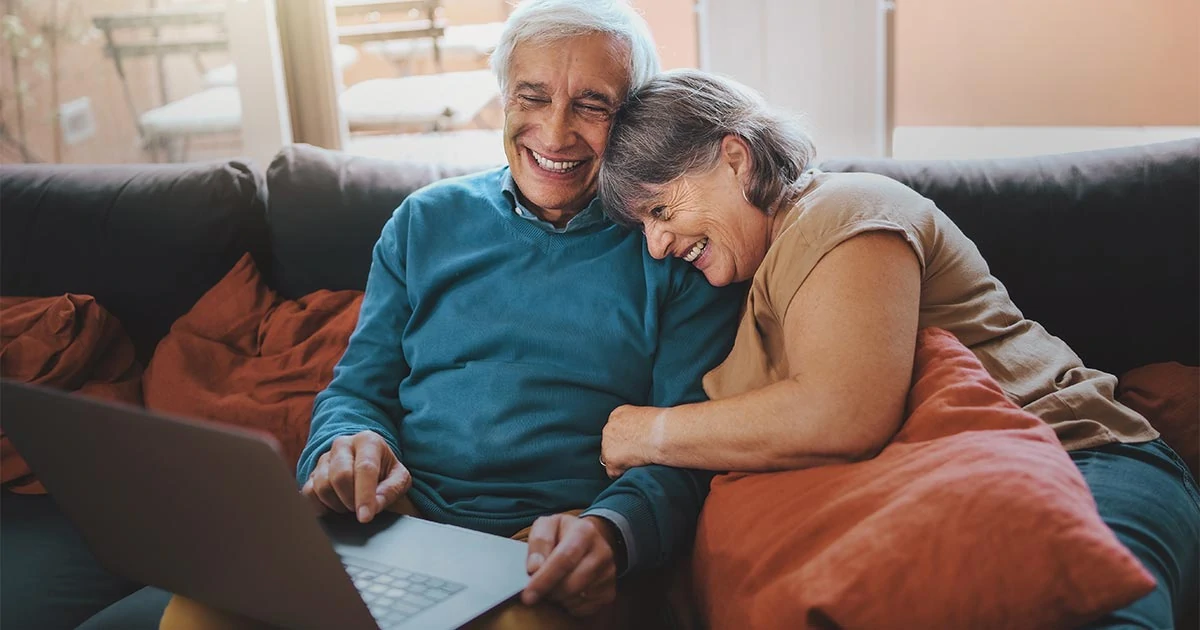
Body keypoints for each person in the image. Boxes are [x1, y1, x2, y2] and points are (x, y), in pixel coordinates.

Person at [4, 4, 740, 630]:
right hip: (396, 526)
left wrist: (609, 532)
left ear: (633, 115)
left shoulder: (675, 245)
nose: (553, 134)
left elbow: (686, 453)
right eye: (533, 96)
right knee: (202, 609)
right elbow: (357, 387)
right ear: (504, 100)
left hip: (542, 550)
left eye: (592, 105)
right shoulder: (426, 221)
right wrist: (346, 444)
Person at [595, 68, 1200, 628]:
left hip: (1076, 455)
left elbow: (843, 413)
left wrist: (643, 432)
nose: (655, 244)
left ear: (734, 158)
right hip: (952, 493)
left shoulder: (839, 212)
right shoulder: (766, 270)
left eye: (660, 209)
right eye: (643, 224)